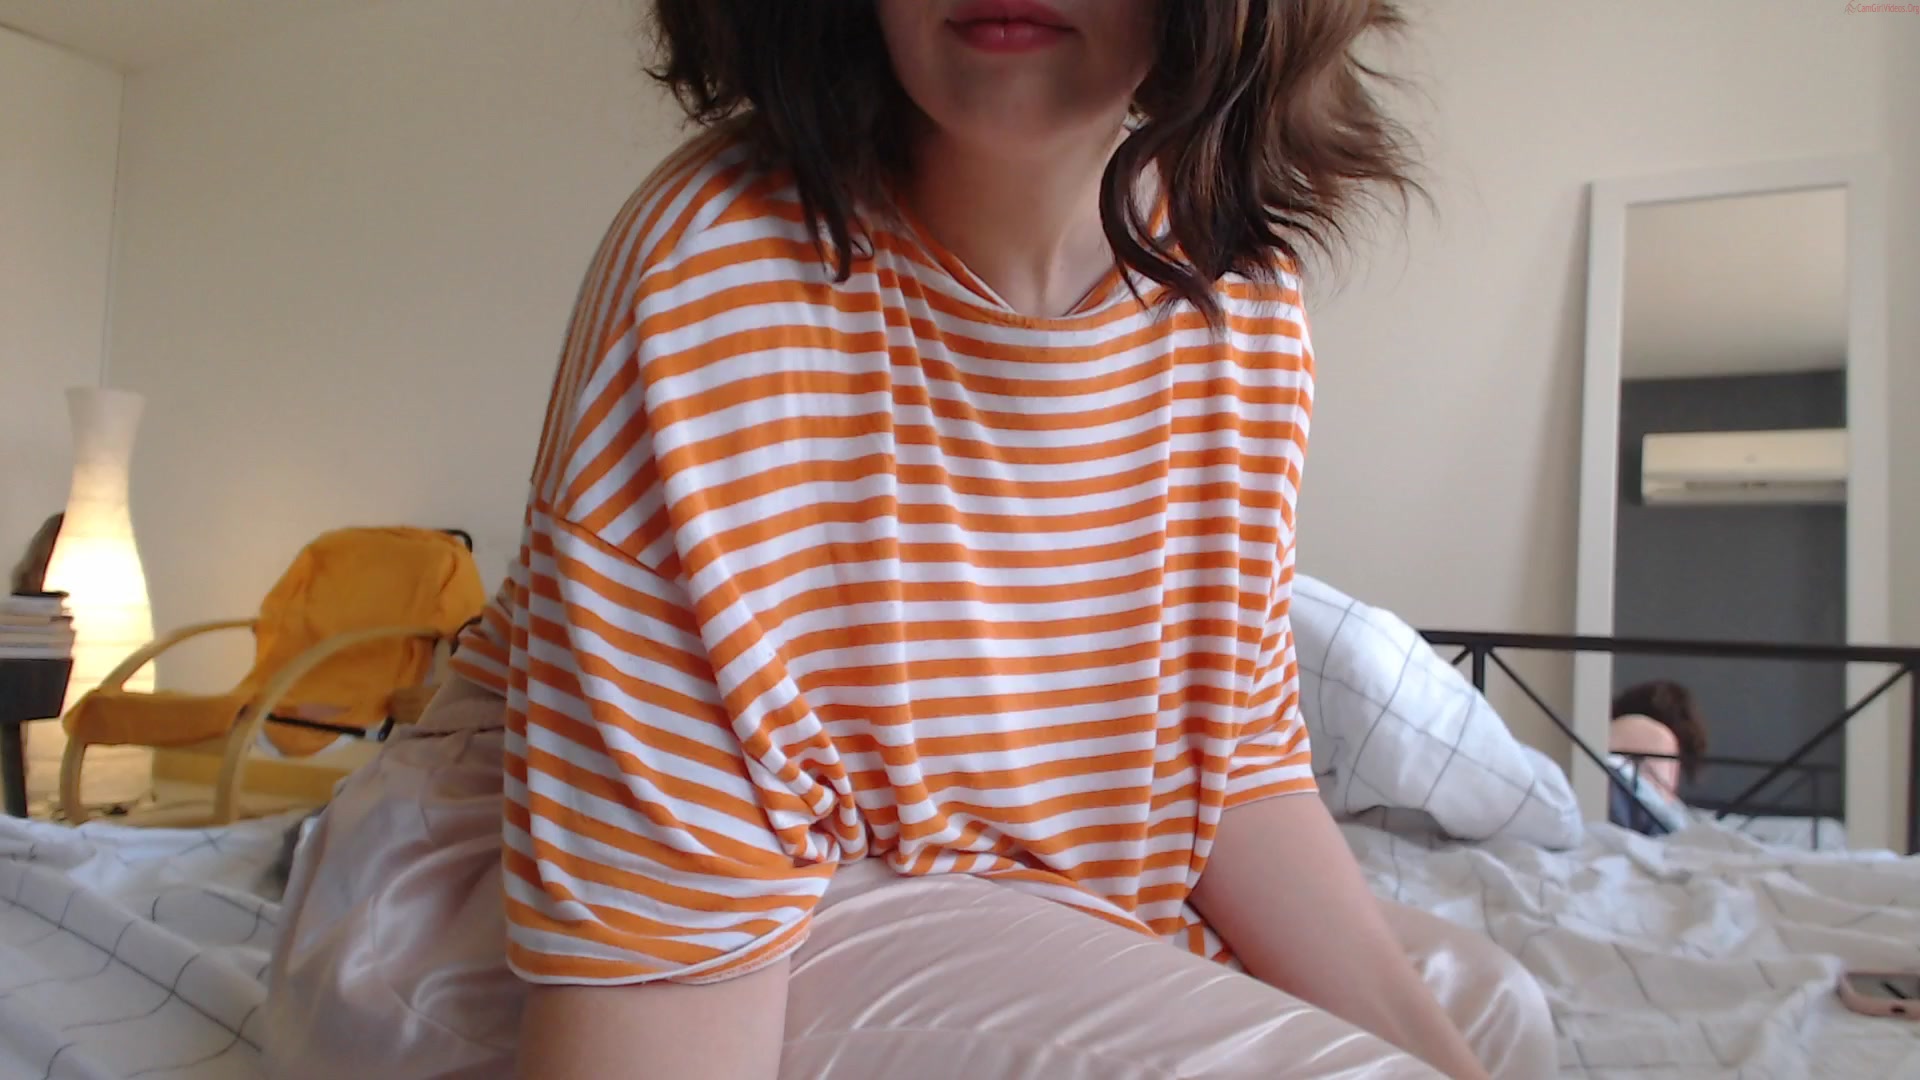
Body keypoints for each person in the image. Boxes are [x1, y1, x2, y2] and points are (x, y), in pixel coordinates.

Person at [262, 2, 1555, 1077]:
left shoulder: (1238, 298)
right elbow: (653, 959)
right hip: (562, 895)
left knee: (1495, 1020)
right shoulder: (721, 274)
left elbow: (1232, 758)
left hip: (943, 861)